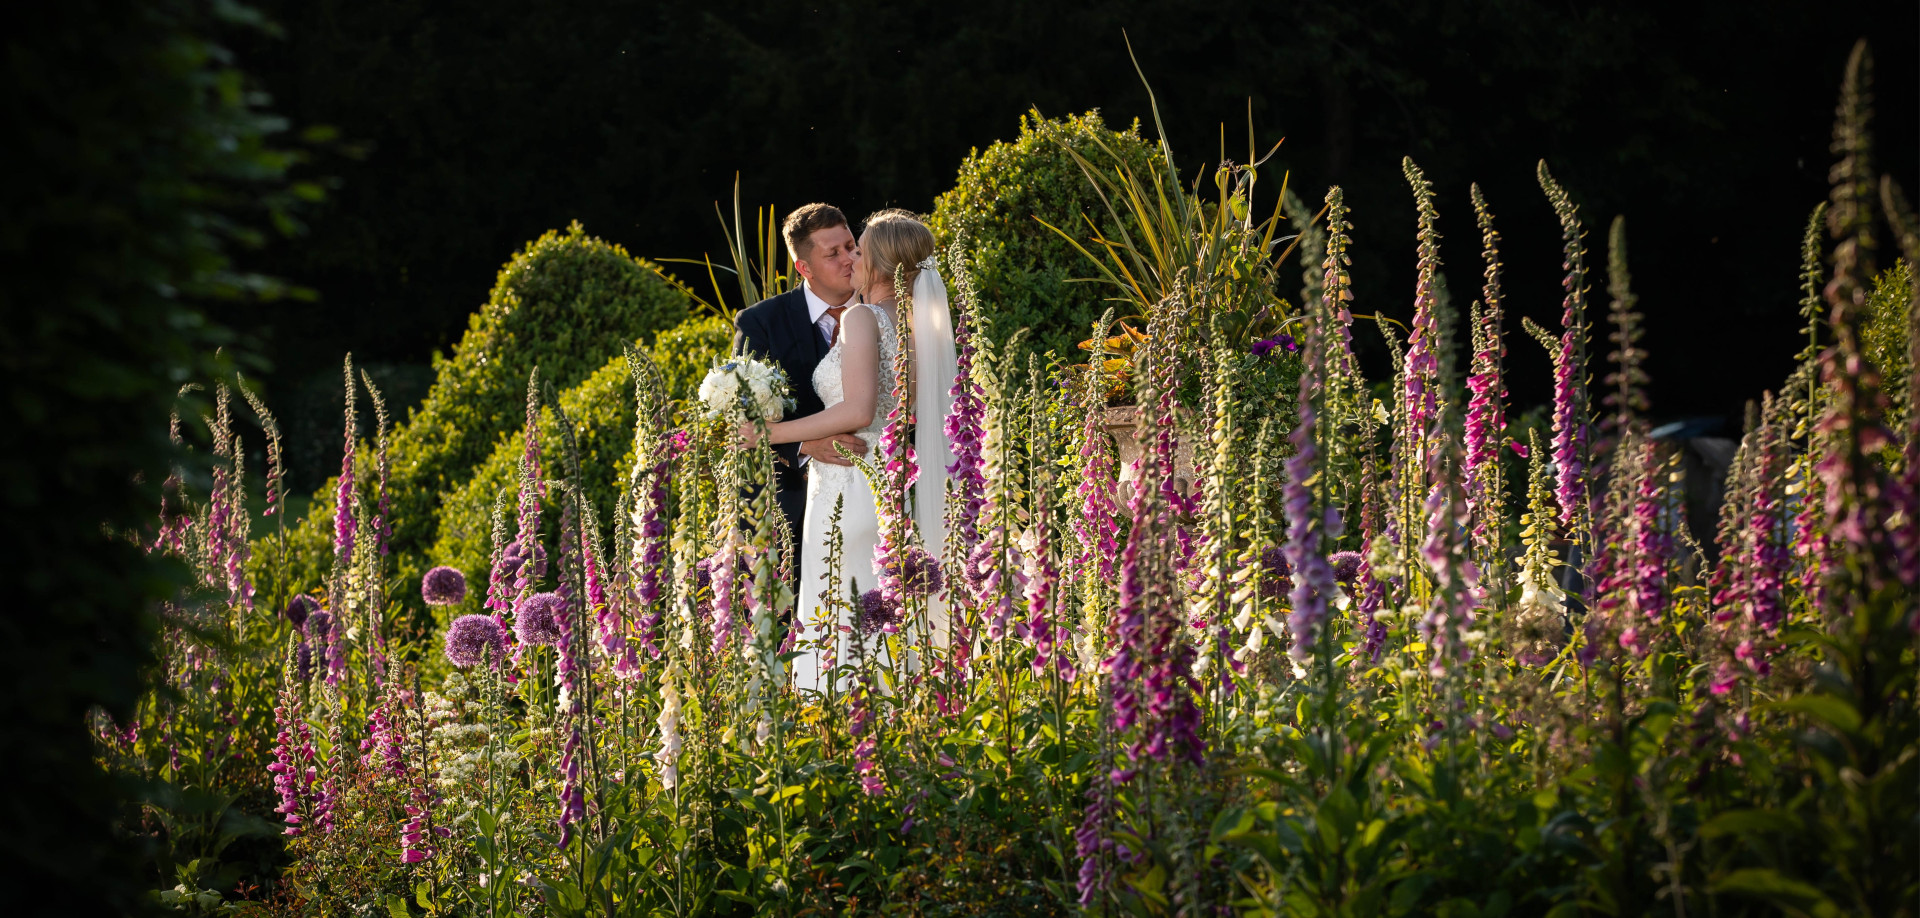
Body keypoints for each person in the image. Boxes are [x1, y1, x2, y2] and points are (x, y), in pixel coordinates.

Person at [742, 208, 958, 693]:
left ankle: (837, 718)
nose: (850, 259)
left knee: (836, 611)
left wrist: (767, 431)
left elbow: (858, 409)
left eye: (857, 249)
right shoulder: (918, 326)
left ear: (877, 262)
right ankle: (901, 708)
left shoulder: (863, 317)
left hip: (847, 484)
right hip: (892, 481)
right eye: (840, 251)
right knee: (886, 612)